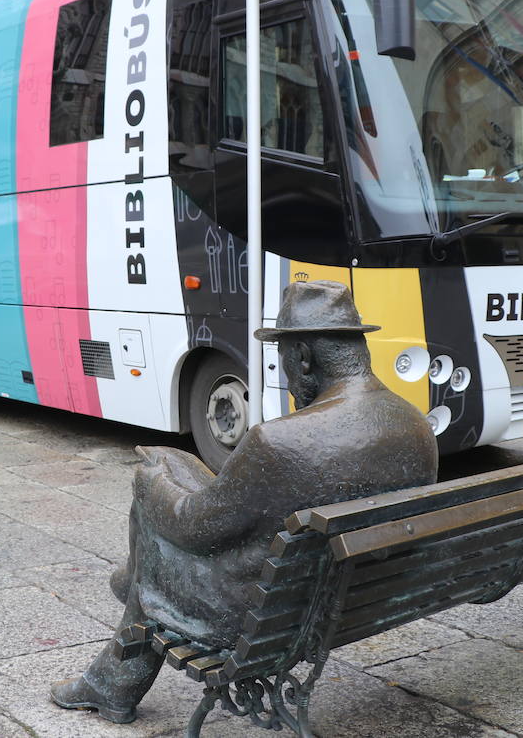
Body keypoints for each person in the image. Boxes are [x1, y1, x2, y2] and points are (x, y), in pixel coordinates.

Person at [51, 280, 439, 724]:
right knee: (179, 469)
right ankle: (116, 658)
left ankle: (119, 653)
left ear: (304, 357)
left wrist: (150, 482)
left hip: (263, 620)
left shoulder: (279, 443)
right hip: (362, 596)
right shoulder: (415, 425)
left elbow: (193, 526)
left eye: (283, 360)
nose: (287, 375)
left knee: (155, 507)